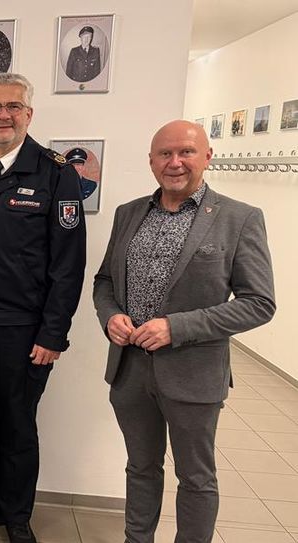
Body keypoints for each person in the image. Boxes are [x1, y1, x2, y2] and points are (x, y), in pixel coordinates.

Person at [92, 120, 276, 543]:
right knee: (140, 467)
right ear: (151, 161)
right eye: (165, 154)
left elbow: (259, 303)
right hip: (130, 371)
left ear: (206, 157)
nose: (175, 163)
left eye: (186, 152)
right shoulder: (129, 213)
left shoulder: (240, 218)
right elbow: (104, 281)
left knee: (195, 476)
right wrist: (111, 316)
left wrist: (177, 327)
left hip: (194, 373)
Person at [0, 73, 86, 543]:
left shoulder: (56, 172)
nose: (3, 115)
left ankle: (17, 514)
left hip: (26, 331)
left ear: (29, 114)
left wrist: (53, 334)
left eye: (14, 106)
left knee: (18, 424)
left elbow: (68, 264)